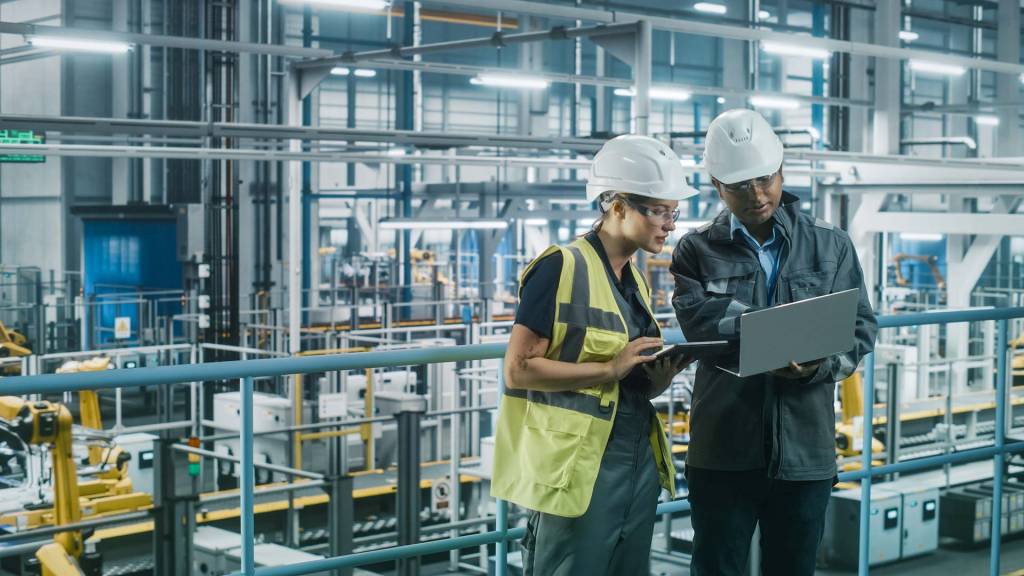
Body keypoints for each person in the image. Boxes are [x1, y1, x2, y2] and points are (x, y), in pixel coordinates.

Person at [669, 108, 878, 576]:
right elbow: (701, 323)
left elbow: (860, 329)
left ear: (782, 170)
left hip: (805, 453)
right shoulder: (695, 251)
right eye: (740, 185)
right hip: (724, 452)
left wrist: (817, 366)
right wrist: (784, 335)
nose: (757, 195)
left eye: (765, 179)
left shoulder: (832, 246)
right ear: (717, 185)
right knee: (717, 568)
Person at [492, 135, 700, 576]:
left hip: (635, 453)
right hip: (578, 462)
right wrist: (610, 366)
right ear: (618, 206)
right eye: (659, 211)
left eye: (673, 212)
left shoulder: (636, 282)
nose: (670, 224)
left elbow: (626, 369)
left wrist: (655, 377)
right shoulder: (560, 266)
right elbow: (518, 369)